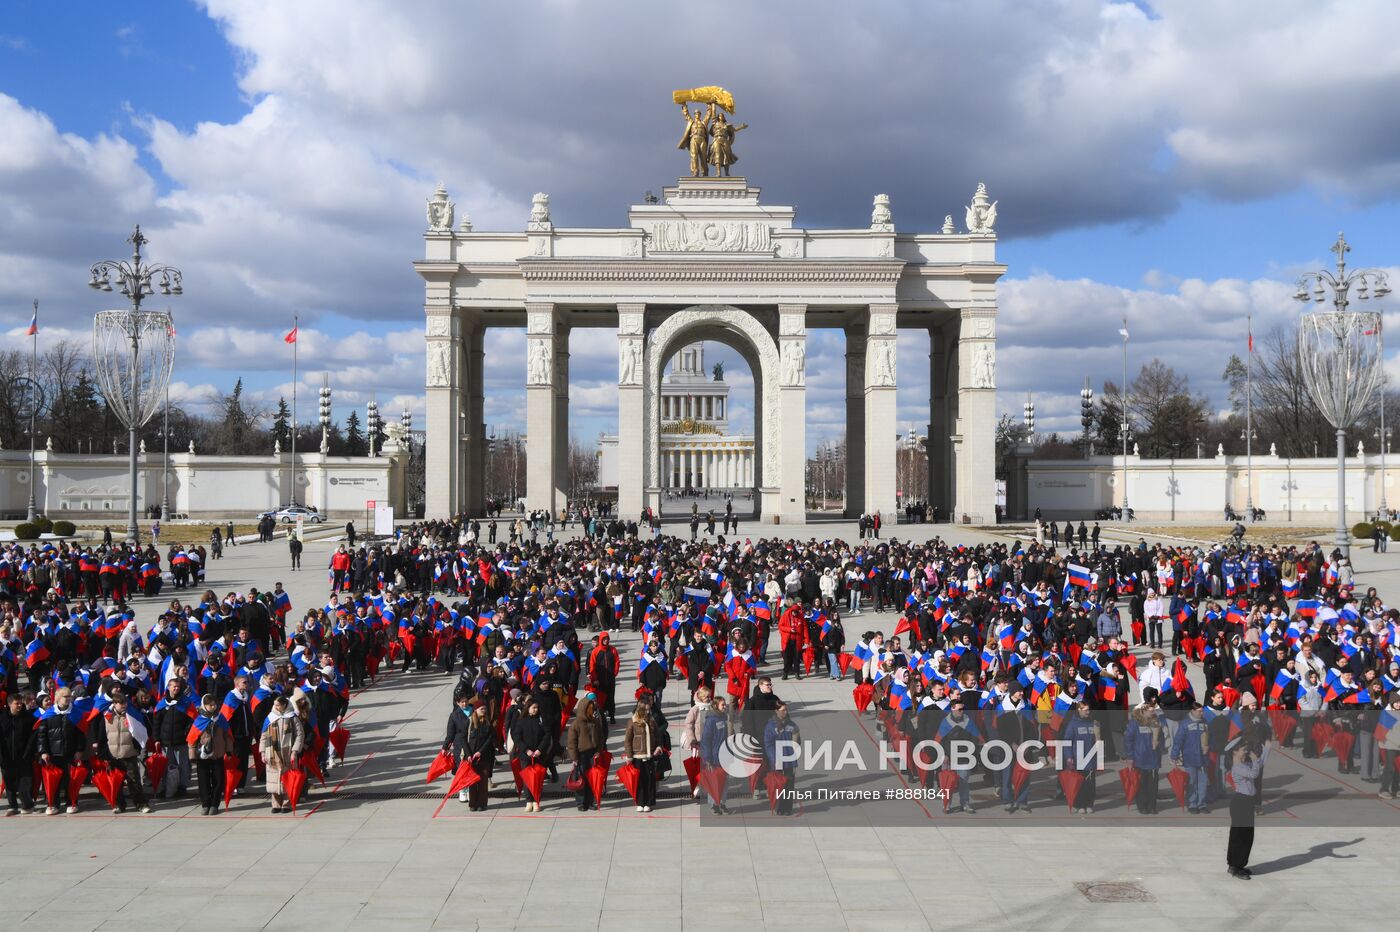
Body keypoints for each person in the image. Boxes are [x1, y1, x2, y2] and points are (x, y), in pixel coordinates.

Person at [92, 694, 152, 814]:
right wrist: (104, 755)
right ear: (114, 704)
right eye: (121, 703)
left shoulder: (132, 716)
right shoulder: (106, 717)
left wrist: (138, 748)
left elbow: (143, 731)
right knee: (116, 783)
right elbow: (102, 738)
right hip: (113, 755)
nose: (123, 705)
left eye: (125, 703)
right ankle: (119, 804)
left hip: (129, 753)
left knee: (134, 782)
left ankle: (141, 803)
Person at [1226, 742, 1269, 879]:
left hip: (1247, 802)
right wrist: (1255, 760)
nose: (1245, 752)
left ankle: (1238, 865)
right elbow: (1254, 774)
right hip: (1241, 803)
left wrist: (1267, 749)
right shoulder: (1237, 767)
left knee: (1246, 835)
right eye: (1243, 750)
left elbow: (1260, 765)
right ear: (1234, 751)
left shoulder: (1244, 764)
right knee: (1240, 835)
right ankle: (1236, 866)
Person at [259, 695, 304, 814]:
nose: (276, 707)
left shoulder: (292, 717)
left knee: (286, 780)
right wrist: (263, 752)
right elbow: (263, 736)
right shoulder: (270, 717)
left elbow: (300, 735)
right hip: (272, 753)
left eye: (278, 705)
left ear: (284, 705)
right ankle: (275, 804)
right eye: (275, 705)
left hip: (287, 753)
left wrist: (295, 751)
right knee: (274, 780)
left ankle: (286, 804)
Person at [189, 694, 231, 816]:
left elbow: (227, 735)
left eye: (214, 704)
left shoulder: (220, 718)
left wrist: (228, 750)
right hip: (203, 756)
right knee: (203, 781)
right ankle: (205, 803)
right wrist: (192, 755)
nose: (213, 707)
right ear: (204, 705)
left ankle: (214, 804)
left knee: (218, 780)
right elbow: (192, 739)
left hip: (218, 755)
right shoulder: (199, 720)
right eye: (210, 705)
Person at [623, 696, 666, 813]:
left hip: (650, 756)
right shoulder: (632, 722)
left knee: (650, 780)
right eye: (646, 710)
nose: (648, 712)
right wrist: (629, 756)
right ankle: (640, 802)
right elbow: (627, 740)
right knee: (639, 781)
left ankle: (648, 802)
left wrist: (658, 747)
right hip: (637, 757)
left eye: (649, 710)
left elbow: (658, 736)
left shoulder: (651, 720)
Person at [566, 697, 608, 811]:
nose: (592, 711)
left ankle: (590, 801)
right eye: (590, 709)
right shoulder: (576, 724)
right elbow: (571, 742)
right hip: (581, 755)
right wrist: (574, 758)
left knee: (591, 779)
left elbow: (601, 737)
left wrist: (599, 751)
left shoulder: (594, 722)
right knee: (580, 779)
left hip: (593, 754)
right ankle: (581, 802)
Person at [1170, 702, 1211, 813]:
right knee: (1192, 782)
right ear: (1192, 711)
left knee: (1202, 782)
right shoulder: (1184, 724)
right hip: (1190, 758)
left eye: (1202, 711)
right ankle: (1192, 804)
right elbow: (1178, 741)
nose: (1201, 713)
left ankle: (1201, 804)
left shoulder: (1205, 722)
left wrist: (1208, 747)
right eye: (1199, 711)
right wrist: (1174, 756)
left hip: (1203, 758)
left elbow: (1209, 738)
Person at [0, 693, 36, 815]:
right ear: (9, 704)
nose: (20, 705)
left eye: (21, 703)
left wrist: (29, 752)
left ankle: (28, 804)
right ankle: (12, 806)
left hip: (24, 756)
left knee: (24, 784)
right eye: (17, 703)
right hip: (6, 757)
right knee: (9, 783)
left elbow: (33, 736)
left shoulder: (28, 718)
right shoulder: (2, 718)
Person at [764, 701, 800, 815]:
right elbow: (768, 744)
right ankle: (779, 807)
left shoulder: (792, 725)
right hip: (776, 760)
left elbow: (798, 741)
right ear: (776, 711)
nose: (785, 712)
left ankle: (787, 808)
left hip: (789, 760)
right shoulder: (771, 726)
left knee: (789, 785)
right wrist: (773, 759)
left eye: (786, 709)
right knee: (778, 784)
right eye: (783, 710)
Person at [700, 695, 733, 814]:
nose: (725, 707)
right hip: (714, 758)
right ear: (715, 706)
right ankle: (714, 804)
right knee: (715, 782)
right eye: (722, 705)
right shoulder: (711, 720)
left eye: (725, 704)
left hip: (726, 756)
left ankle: (722, 803)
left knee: (725, 782)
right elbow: (706, 741)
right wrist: (707, 759)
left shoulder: (726, 718)